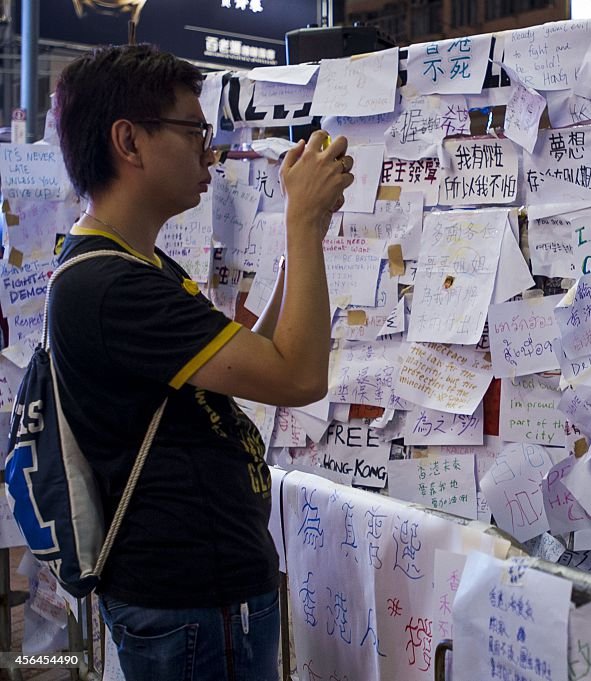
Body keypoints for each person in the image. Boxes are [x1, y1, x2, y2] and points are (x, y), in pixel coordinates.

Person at [50, 44, 352, 680]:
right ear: (129, 142)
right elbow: (299, 378)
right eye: (193, 131)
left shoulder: (136, 265)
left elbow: (261, 363)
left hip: (203, 594)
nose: (209, 151)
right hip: (190, 600)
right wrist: (300, 221)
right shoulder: (110, 287)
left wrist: (308, 236)